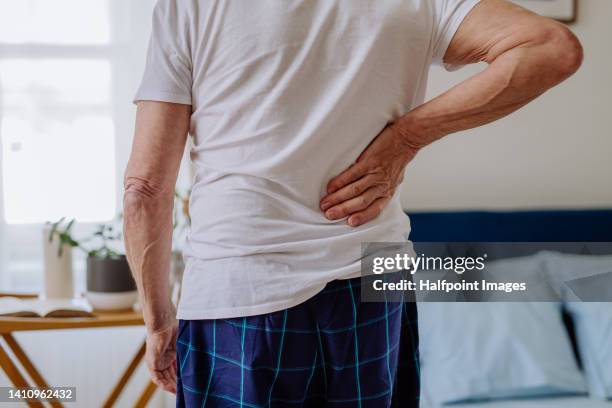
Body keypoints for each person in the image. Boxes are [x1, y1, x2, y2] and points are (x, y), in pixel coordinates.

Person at [123, 0, 582, 406]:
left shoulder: (191, 6)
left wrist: (159, 324)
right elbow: (553, 48)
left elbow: (145, 187)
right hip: (373, 287)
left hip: (241, 285)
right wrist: (406, 138)